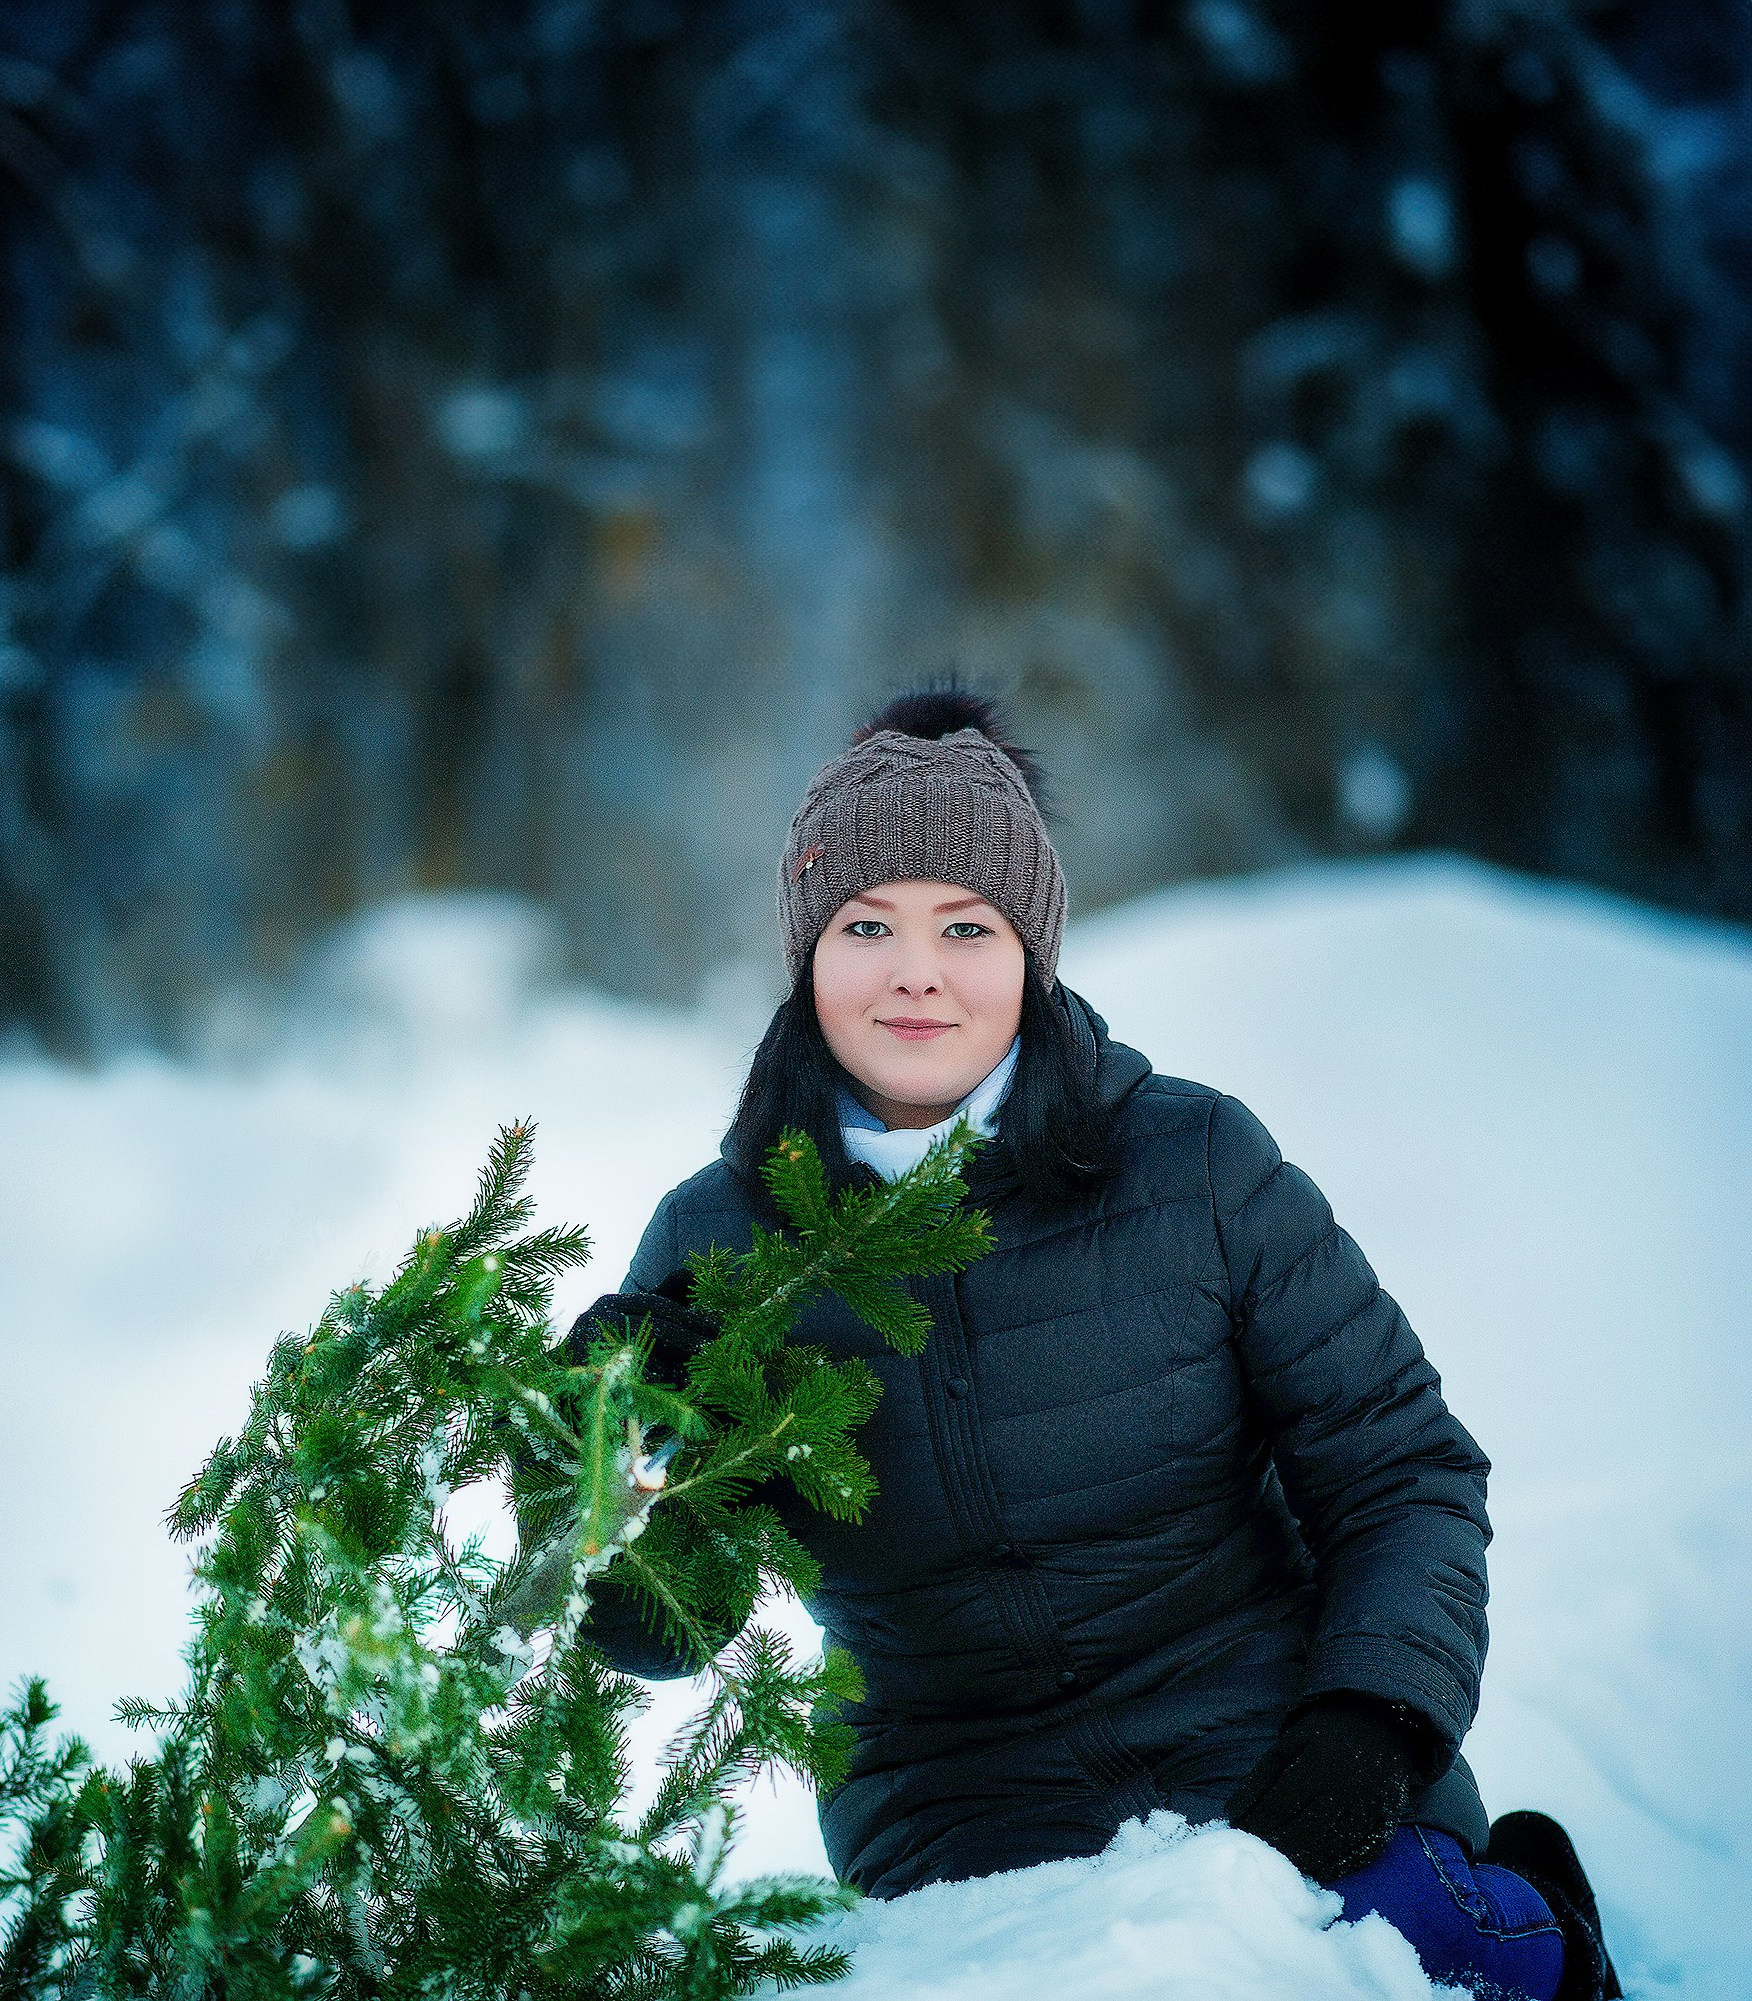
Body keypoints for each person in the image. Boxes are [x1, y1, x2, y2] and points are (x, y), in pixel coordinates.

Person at [571, 690, 1620, 2001]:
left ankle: (1539, 1921)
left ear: (1031, 949)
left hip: (1273, 1754)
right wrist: (626, 1443)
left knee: (1400, 1956)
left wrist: (1370, 1722)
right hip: (957, 1823)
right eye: (866, 926)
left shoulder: (1197, 1164)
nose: (916, 970)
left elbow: (1402, 1469)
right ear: (808, 956)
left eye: (967, 924)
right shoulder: (718, 1241)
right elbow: (659, 1624)